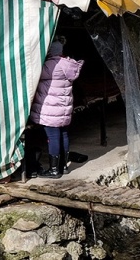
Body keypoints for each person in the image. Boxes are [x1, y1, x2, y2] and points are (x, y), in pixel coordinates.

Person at [29, 39, 84, 179]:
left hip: (51, 109)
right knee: (63, 134)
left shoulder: (49, 66)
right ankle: (63, 167)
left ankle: (54, 170)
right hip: (64, 109)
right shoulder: (68, 64)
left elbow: (32, 74)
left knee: (53, 136)